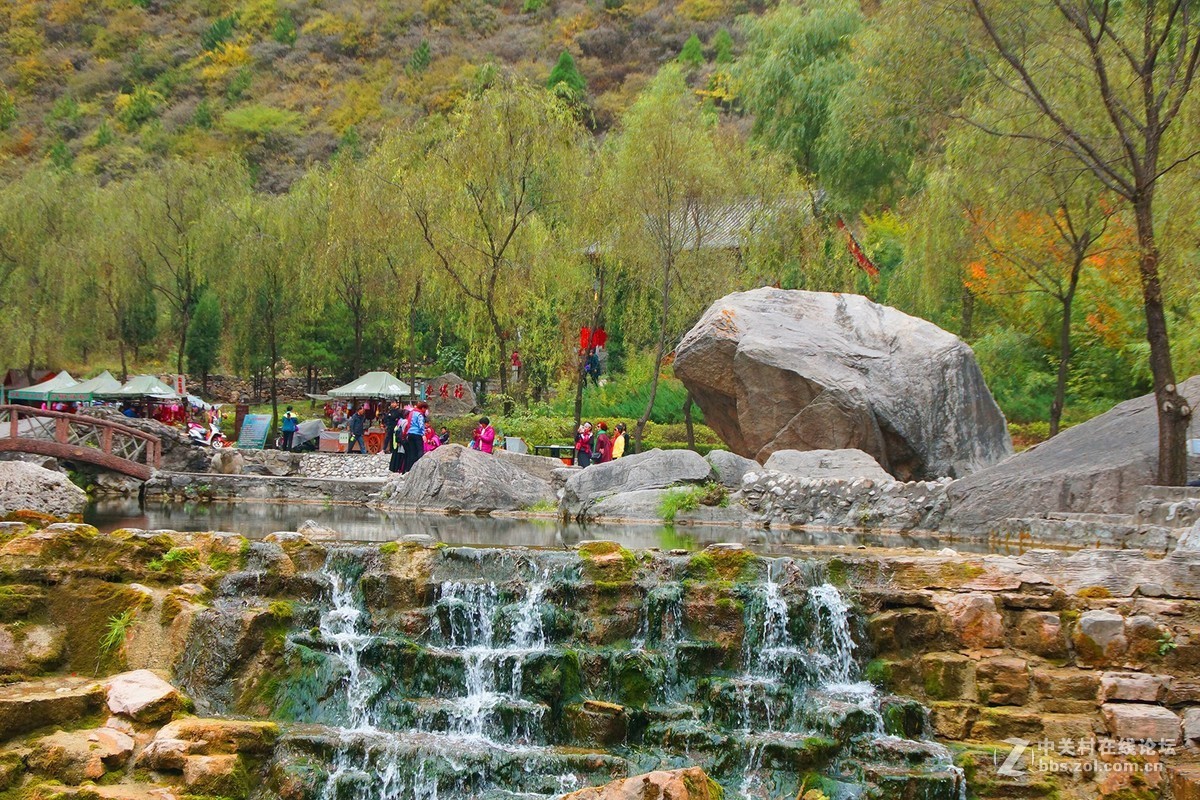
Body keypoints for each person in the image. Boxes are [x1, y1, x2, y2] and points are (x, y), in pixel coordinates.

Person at [405, 402, 428, 473]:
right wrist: (423, 434)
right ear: (423, 408)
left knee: (412, 451)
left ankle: (411, 468)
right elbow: (421, 425)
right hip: (417, 434)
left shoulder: (412, 413)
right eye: (425, 409)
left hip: (410, 433)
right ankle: (419, 468)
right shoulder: (419, 414)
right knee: (419, 450)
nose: (426, 411)